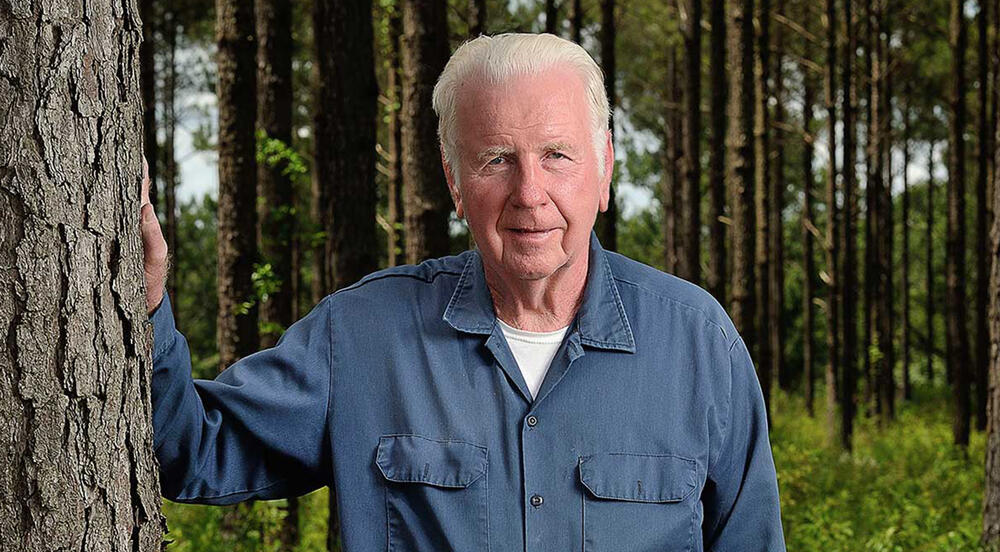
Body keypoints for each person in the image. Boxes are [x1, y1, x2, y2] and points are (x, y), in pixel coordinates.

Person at [142, 33, 785, 551]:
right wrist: (144, 303)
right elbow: (192, 449)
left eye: (557, 155)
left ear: (605, 169)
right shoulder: (361, 335)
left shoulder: (699, 344)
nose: (530, 194)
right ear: (454, 182)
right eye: (497, 159)